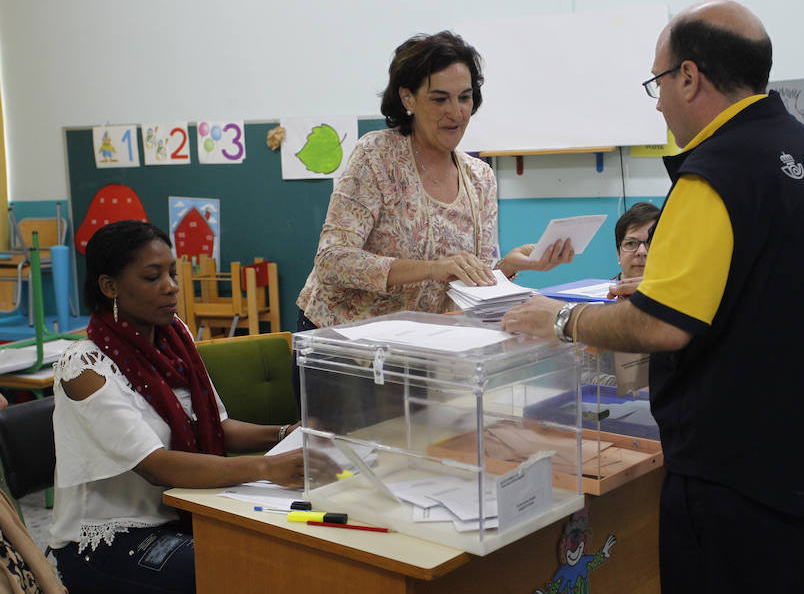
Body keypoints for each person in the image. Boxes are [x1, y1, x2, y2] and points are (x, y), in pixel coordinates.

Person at [501, 0, 804, 592]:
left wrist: (561, 318)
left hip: (749, 482)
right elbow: (786, 283)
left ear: (689, 77)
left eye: (657, 84)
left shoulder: (715, 172)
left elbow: (662, 329)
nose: (658, 101)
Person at [48, 221, 322, 594]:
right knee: (248, 572)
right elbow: (156, 465)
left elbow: (216, 426)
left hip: (187, 508)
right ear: (109, 286)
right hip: (112, 539)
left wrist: (283, 434)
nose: (171, 286)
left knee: (290, 554)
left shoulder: (175, 339)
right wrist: (266, 466)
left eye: (172, 272)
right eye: (152, 276)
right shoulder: (84, 368)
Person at [295, 30, 573, 331]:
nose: (456, 112)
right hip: (344, 341)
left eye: (465, 98)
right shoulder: (377, 156)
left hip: (419, 341)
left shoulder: (480, 177)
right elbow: (332, 260)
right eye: (440, 99)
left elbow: (475, 276)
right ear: (407, 98)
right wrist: (432, 269)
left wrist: (509, 265)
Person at [612, 201, 659, 281]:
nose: (642, 252)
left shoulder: (681, 293)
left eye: (651, 243)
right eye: (631, 243)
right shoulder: (601, 292)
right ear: (618, 254)